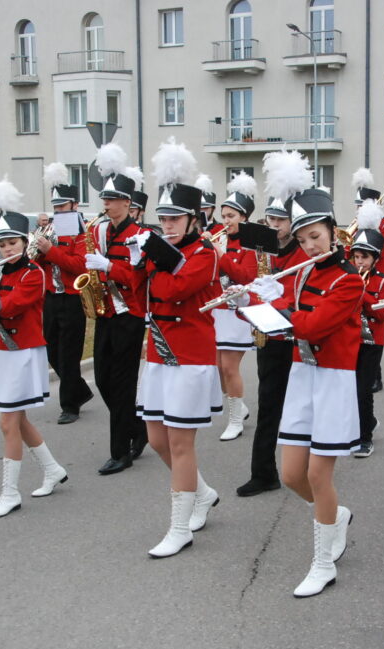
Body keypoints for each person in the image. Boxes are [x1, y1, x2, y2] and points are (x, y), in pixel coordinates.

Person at [249, 187, 362, 597]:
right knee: (291, 475)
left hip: (333, 379)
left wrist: (278, 308)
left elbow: (313, 326)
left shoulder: (350, 279)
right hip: (303, 375)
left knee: (318, 474)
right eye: (301, 239)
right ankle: (333, 515)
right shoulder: (302, 273)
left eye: (315, 236)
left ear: (332, 230)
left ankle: (322, 563)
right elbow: (289, 326)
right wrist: (256, 303)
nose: (309, 245)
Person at [131, 138, 223, 558]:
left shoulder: (205, 253)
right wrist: (137, 268)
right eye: (163, 218)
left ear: (193, 219)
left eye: (175, 219)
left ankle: (180, 527)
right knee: (156, 440)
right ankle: (202, 494)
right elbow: (141, 301)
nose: (167, 225)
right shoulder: (157, 251)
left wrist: (153, 267)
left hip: (190, 357)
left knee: (181, 443)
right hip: (158, 352)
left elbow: (176, 288)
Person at [0, 181, 65, 519]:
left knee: (8, 423)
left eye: (12, 243)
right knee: (17, 421)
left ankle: (10, 493)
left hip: (24, 354)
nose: (7, 249)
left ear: (24, 242)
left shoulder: (33, 274)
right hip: (4, 353)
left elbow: (9, 306)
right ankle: (52, 470)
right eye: (2, 244)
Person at [237, 148, 314, 497]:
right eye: (271, 220)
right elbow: (255, 288)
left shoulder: (305, 253)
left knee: (303, 408)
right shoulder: (266, 251)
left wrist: (277, 298)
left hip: (298, 340)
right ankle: (263, 472)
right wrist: (244, 303)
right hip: (269, 338)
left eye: (281, 221)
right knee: (268, 405)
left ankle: (311, 468)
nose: (275, 227)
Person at [85, 144, 148, 476]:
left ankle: (120, 452)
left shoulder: (140, 235)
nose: (106, 205)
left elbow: (137, 278)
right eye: (104, 200)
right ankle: (137, 427)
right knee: (102, 380)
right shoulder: (100, 231)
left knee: (122, 385)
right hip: (106, 312)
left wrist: (109, 266)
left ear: (127, 202)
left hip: (130, 316)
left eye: (111, 200)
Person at [33, 163, 95, 425]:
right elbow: (37, 263)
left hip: (72, 297)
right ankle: (80, 391)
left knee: (69, 354)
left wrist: (51, 251)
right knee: (51, 351)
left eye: (63, 206)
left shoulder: (82, 232)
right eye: (55, 206)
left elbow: (80, 265)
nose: (58, 211)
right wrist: (37, 252)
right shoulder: (50, 229)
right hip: (51, 296)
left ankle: (70, 405)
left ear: (75, 205)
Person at [208, 172, 258, 441]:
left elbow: (246, 276)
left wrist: (221, 254)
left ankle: (235, 420)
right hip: (217, 309)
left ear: (244, 217)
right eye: (224, 216)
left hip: (237, 311)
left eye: (231, 216)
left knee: (229, 367)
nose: (225, 221)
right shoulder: (220, 238)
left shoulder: (250, 244)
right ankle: (241, 407)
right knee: (217, 367)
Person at [350, 216, 384, 458]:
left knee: (363, 391)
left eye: (364, 257)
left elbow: (382, 314)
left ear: (375, 259)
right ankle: (369, 422)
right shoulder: (349, 277)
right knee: (350, 389)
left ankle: (365, 438)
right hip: (350, 339)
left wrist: (361, 292)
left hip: (372, 342)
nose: (359, 262)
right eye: (356, 257)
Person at [351, 168, 384, 274]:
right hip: (357, 269)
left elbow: (382, 251)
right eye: (358, 206)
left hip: (377, 270)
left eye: (361, 206)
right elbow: (349, 251)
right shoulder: (357, 223)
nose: (358, 209)